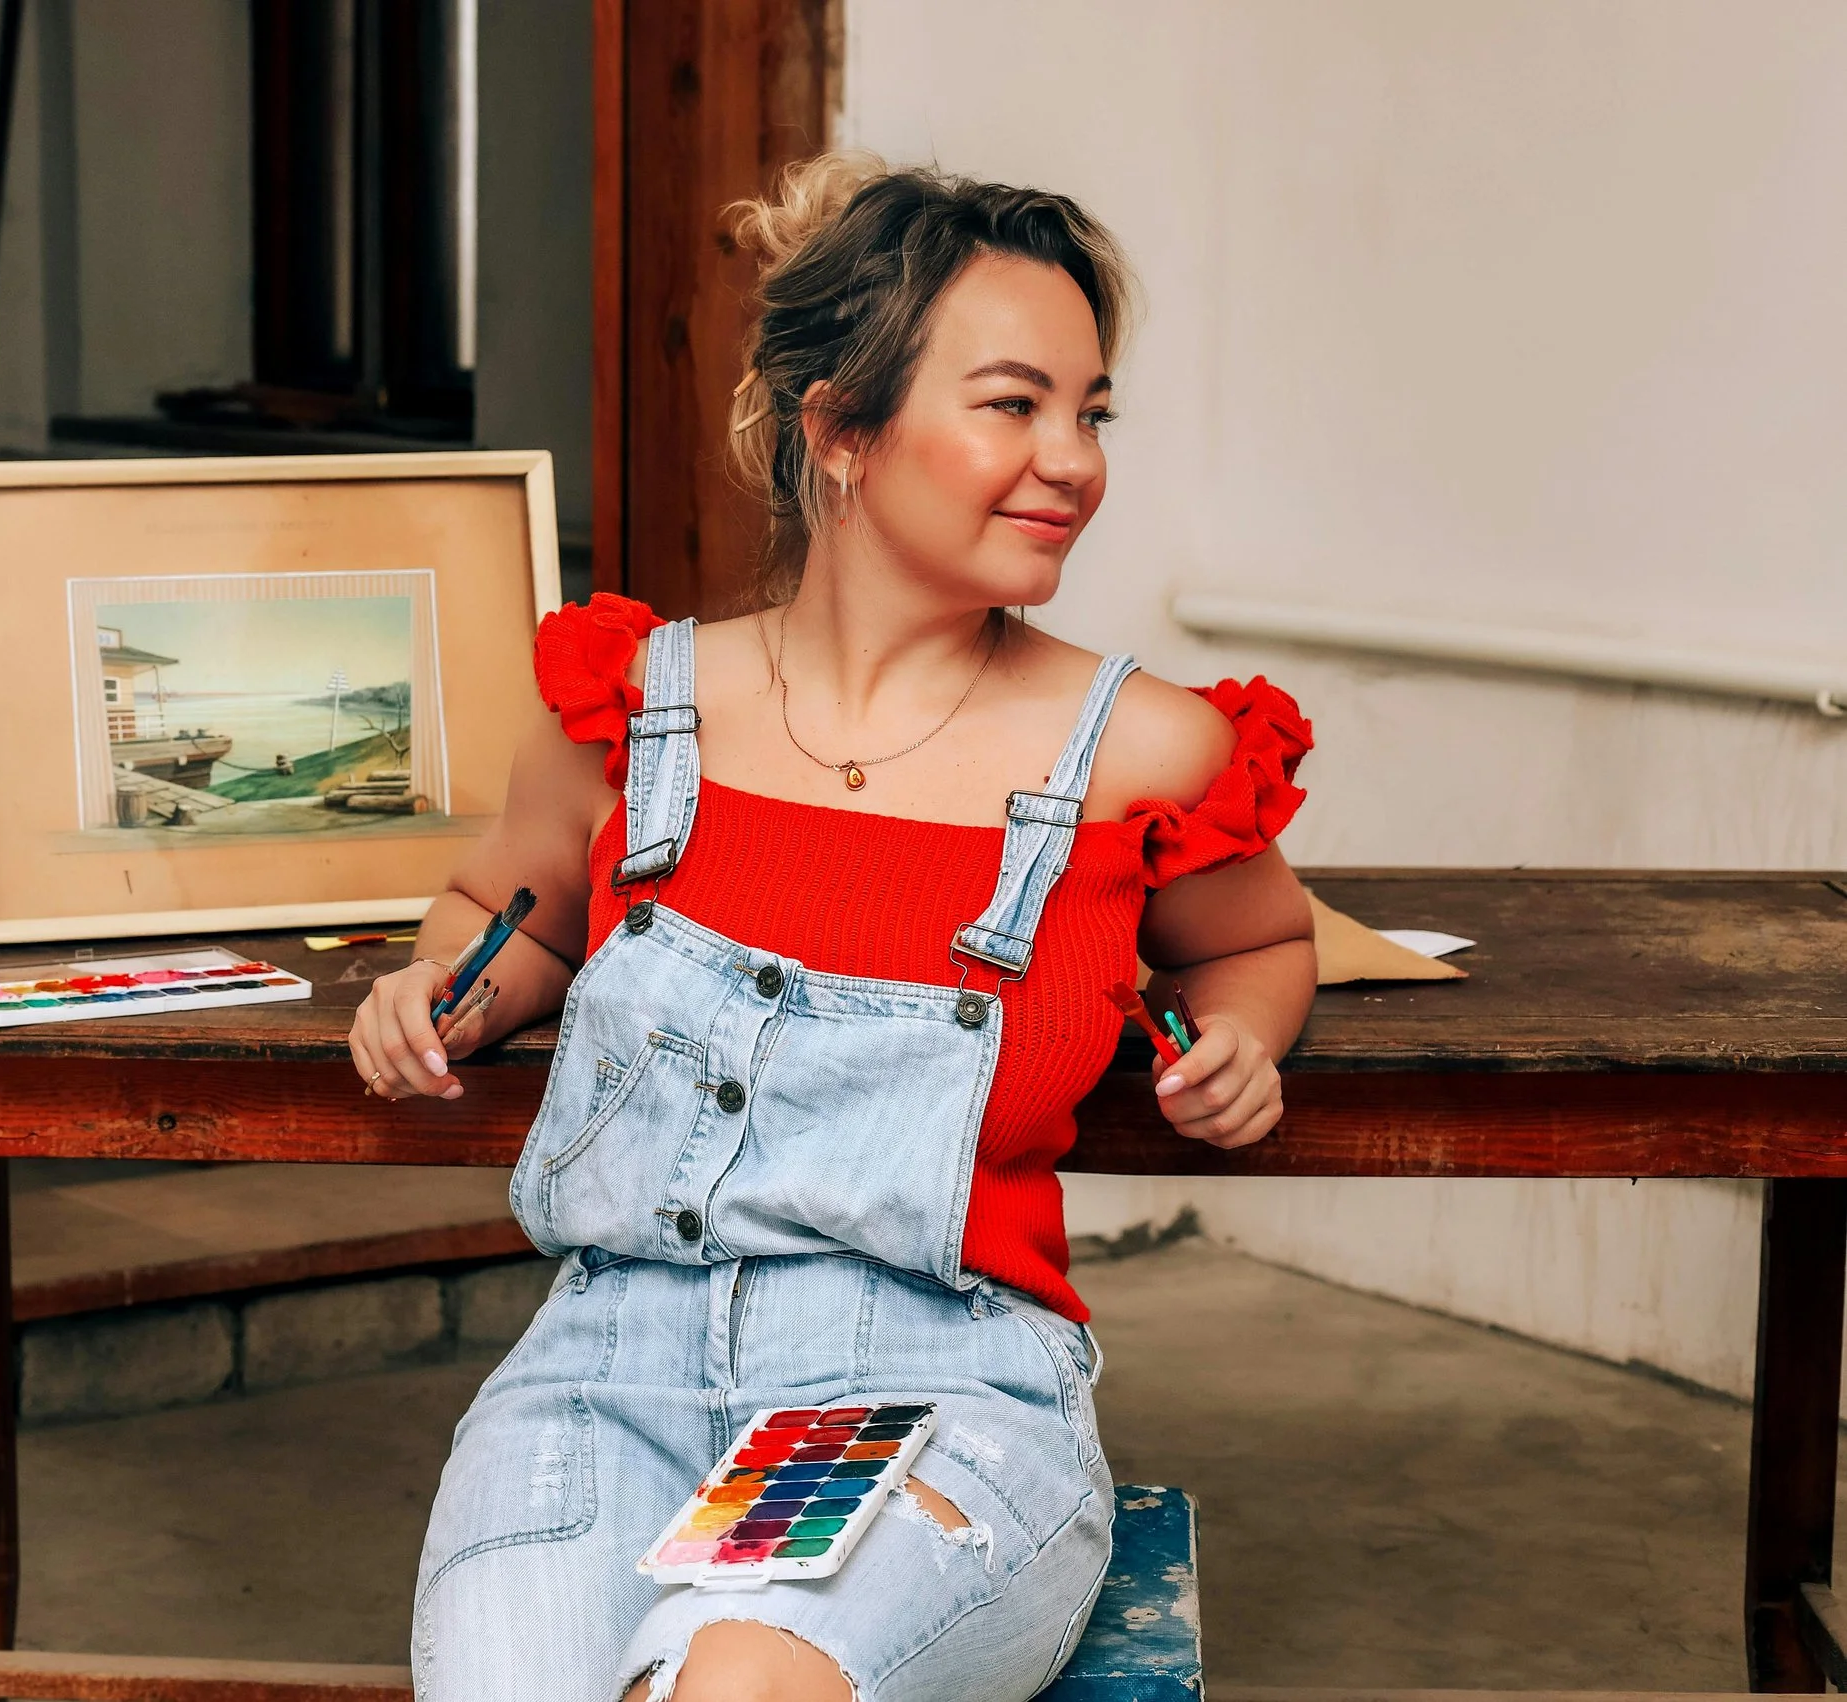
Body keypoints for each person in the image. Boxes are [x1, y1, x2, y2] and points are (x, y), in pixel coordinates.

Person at [348, 152, 1317, 1702]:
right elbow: (502, 912)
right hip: (605, 1379)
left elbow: (1255, 943)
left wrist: (1245, 1044)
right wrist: (437, 991)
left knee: (732, 1692)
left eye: (1093, 409)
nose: (1072, 457)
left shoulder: (1139, 750)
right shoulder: (637, 711)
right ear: (841, 433)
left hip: (921, 1389)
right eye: (1015, 404)